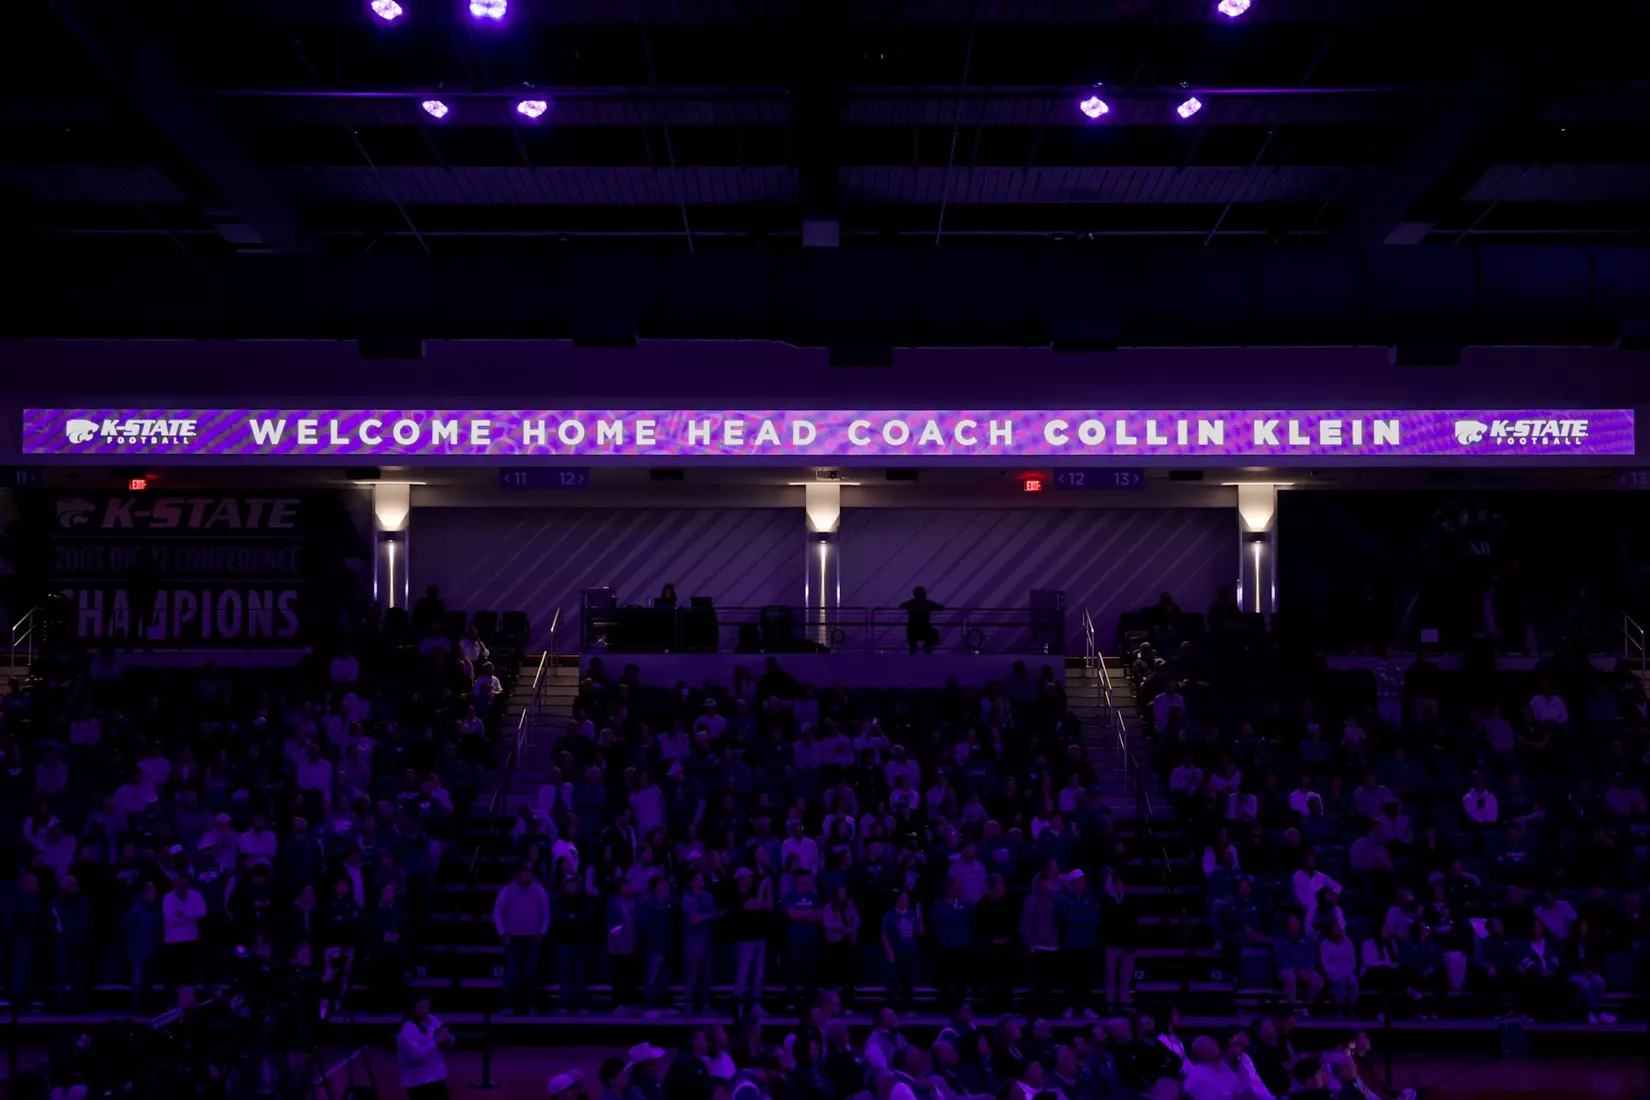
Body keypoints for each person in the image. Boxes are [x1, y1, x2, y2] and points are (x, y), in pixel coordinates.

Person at [494, 864, 550, 1016]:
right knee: (511, 974)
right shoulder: (507, 890)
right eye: (524, 872)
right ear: (518, 874)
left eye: (530, 872)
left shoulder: (539, 891)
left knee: (531, 974)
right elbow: (497, 913)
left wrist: (542, 932)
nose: (527, 875)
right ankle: (509, 1006)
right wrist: (502, 932)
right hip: (513, 938)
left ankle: (531, 1006)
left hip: (532, 937)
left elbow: (546, 913)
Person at [397, 998, 456, 1100]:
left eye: (426, 1006)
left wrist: (449, 1039)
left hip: (436, 1076)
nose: (425, 1010)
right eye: (421, 1007)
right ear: (412, 1008)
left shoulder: (432, 1020)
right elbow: (415, 1056)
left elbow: (445, 1035)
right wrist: (436, 1041)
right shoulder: (408, 1028)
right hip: (419, 1080)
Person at [881, 889, 923, 1014]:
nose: (906, 901)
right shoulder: (890, 915)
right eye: (903, 898)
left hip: (910, 954)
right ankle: (891, 1009)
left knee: (909, 983)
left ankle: (908, 1007)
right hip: (896, 954)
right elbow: (883, 934)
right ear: (897, 900)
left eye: (907, 898)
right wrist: (889, 952)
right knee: (893, 983)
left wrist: (920, 920)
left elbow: (921, 933)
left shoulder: (912, 914)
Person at [901, 587, 944, 654]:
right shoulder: (914, 603)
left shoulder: (927, 603)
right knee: (910, 630)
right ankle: (914, 647)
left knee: (933, 632)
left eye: (921, 593)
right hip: (915, 626)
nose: (919, 595)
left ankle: (925, 646)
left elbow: (939, 607)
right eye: (918, 593)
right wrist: (913, 609)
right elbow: (902, 606)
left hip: (924, 626)